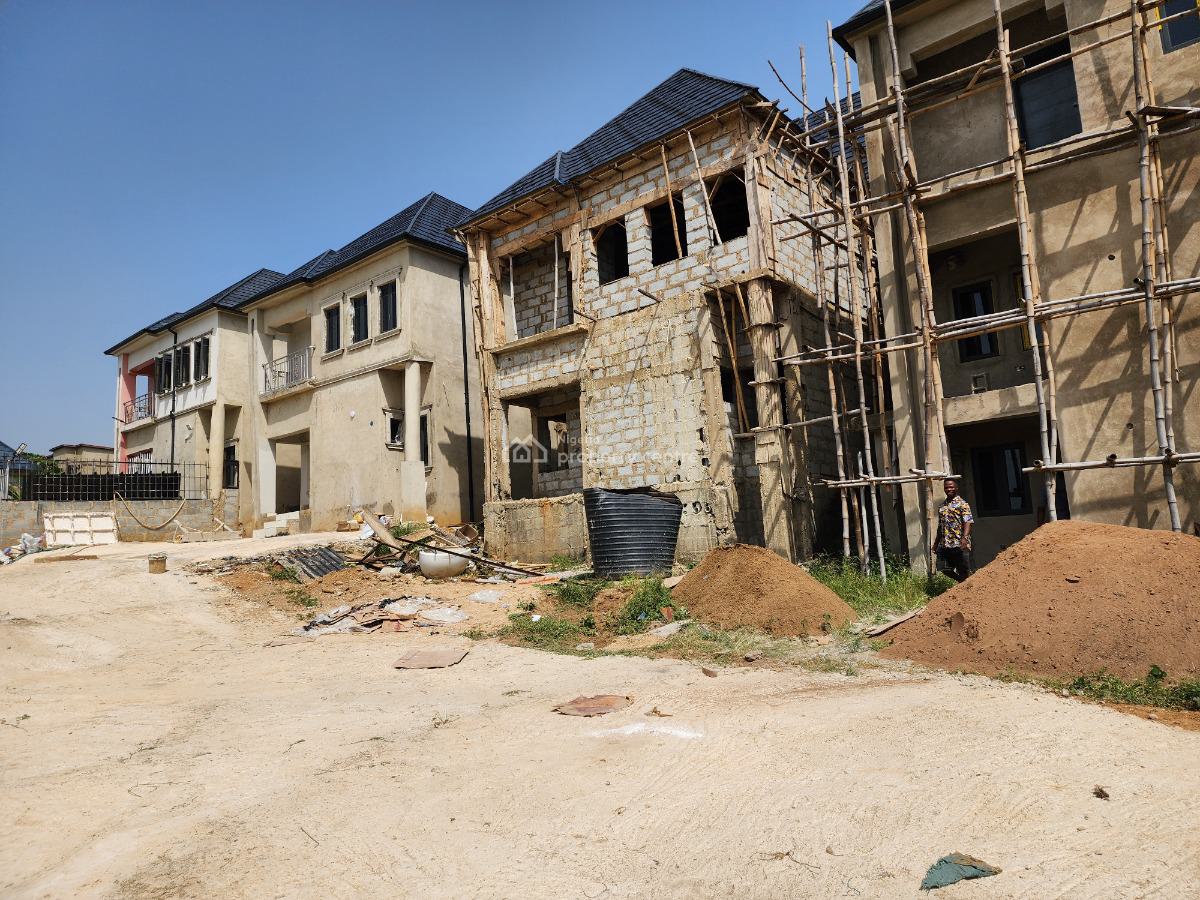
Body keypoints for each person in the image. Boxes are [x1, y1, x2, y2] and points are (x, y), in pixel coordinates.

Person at [933, 478, 973, 582]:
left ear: (956, 488)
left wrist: (964, 538)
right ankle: (961, 581)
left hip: (959, 543)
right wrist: (936, 543)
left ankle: (966, 588)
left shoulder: (962, 504)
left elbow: (968, 522)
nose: (948, 489)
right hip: (945, 544)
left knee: (963, 570)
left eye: (951, 487)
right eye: (946, 487)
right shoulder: (942, 506)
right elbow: (940, 526)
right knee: (943, 568)